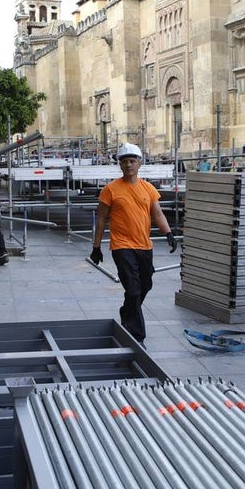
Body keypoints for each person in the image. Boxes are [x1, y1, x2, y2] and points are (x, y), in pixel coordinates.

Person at [89, 142, 177, 344]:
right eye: (124, 162)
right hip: (121, 246)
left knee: (145, 284)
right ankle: (137, 336)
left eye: (132, 161)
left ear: (139, 163)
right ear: (120, 165)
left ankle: (127, 311)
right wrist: (96, 247)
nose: (128, 165)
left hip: (144, 246)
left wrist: (169, 233)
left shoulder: (149, 189)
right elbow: (101, 218)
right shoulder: (110, 190)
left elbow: (157, 213)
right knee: (133, 288)